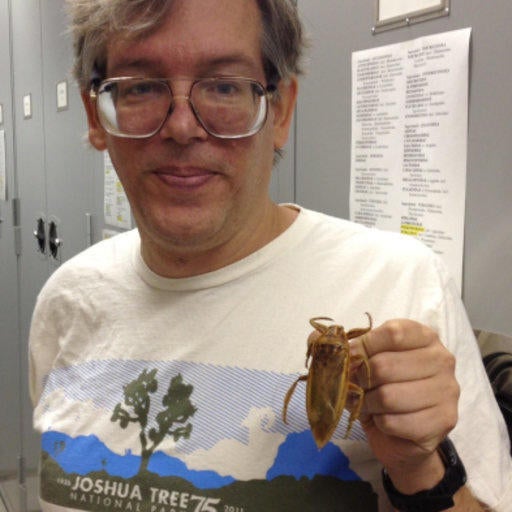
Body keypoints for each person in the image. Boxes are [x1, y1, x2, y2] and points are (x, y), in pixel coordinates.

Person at [29, 1, 511, 511]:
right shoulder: (67, 302)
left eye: (223, 86)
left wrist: (421, 469)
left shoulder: (404, 283)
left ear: (279, 112)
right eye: (142, 87)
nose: (182, 128)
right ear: (96, 116)